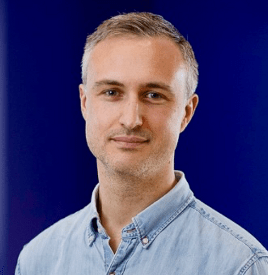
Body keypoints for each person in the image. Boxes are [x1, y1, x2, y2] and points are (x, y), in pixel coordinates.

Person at [15, 12, 268, 274]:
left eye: (153, 95)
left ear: (186, 112)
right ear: (85, 103)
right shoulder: (38, 260)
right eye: (112, 92)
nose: (131, 119)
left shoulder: (240, 266)